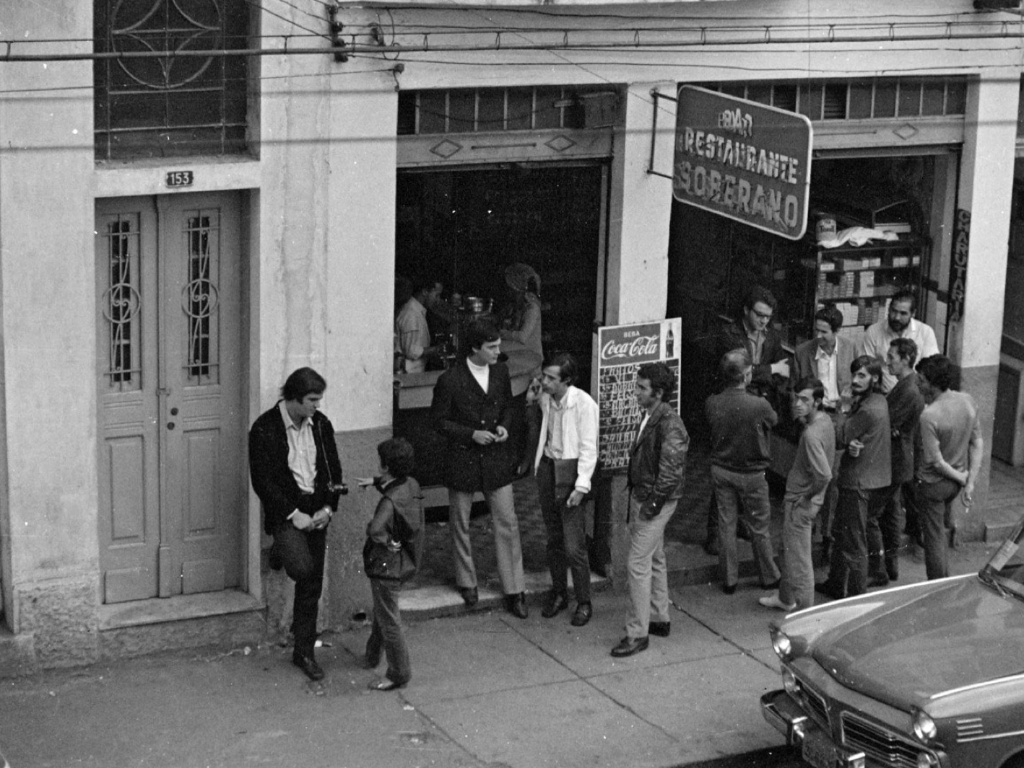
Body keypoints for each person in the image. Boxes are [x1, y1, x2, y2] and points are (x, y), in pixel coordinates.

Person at [248, 367, 345, 682]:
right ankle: (281, 546)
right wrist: (293, 515)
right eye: (312, 400)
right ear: (293, 398)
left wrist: (329, 508)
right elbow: (263, 482)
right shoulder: (265, 428)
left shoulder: (321, 424)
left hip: (315, 509)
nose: (317, 405)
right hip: (288, 511)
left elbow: (333, 470)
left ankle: (304, 651)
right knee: (301, 568)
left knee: (311, 585)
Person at [431, 319, 528, 618]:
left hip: (496, 458)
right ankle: (466, 581)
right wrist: (470, 434)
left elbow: (509, 408)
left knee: (507, 521)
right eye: (492, 347)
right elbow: (439, 421)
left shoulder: (500, 372)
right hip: (463, 457)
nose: (498, 352)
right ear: (475, 348)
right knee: (460, 522)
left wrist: (504, 427)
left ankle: (515, 589)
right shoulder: (451, 379)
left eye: (498, 345)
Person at [704, 285, 790, 554]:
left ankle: (738, 523)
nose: (764, 321)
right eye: (759, 315)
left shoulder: (772, 338)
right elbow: (736, 368)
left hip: (756, 408)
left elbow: (774, 374)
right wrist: (771, 369)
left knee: (751, 470)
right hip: (733, 407)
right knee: (727, 469)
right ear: (745, 310)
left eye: (768, 316)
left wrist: (768, 375)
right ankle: (715, 534)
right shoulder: (729, 335)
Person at [611, 362, 688, 658]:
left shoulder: (670, 424)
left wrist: (650, 508)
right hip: (649, 497)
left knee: (637, 563)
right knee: (654, 557)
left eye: (642, 388)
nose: (636, 392)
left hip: (655, 500)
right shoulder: (655, 416)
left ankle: (636, 633)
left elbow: (670, 474)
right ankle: (658, 616)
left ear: (657, 393)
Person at [527, 352, 600, 627]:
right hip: (548, 468)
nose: (544, 381)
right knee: (553, 539)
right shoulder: (546, 398)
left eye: (551, 378)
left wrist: (581, 486)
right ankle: (559, 593)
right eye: (544, 375)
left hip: (569, 474)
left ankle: (584, 601)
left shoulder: (583, 405)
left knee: (574, 545)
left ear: (566, 380)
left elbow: (589, 449)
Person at [705, 348, 781, 594]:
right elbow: (774, 421)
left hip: (722, 470)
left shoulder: (712, 402)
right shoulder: (759, 405)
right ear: (747, 375)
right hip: (752, 474)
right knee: (759, 526)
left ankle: (729, 580)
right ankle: (768, 576)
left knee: (726, 525)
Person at [816, 356, 891, 600]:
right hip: (874, 480)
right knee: (846, 534)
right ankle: (836, 583)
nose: (856, 380)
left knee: (852, 542)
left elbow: (839, 435)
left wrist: (843, 407)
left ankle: (858, 597)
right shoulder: (879, 401)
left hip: (857, 483)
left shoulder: (866, 409)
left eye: (862, 376)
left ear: (875, 378)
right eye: (855, 375)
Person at [760, 377, 835, 612]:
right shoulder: (825, 422)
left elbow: (824, 475)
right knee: (788, 551)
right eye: (796, 398)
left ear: (818, 402)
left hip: (800, 503)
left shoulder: (811, 435)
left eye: (805, 399)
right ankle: (785, 598)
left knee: (799, 562)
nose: (797, 404)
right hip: (804, 501)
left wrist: (806, 497)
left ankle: (806, 614)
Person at [359, 438, 424, 691]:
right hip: (405, 561)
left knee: (388, 618)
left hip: (386, 565)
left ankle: (399, 673)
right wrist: (376, 482)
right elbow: (398, 490)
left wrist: (385, 539)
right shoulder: (411, 484)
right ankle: (372, 654)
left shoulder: (388, 502)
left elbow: (376, 530)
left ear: (385, 466)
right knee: (384, 610)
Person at [791, 305, 854, 561]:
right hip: (814, 418)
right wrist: (801, 419)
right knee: (811, 473)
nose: (819, 336)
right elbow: (794, 390)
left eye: (825, 332)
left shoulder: (850, 348)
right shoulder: (803, 352)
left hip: (839, 418)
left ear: (837, 331)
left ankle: (827, 535)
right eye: (816, 330)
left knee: (832, 478)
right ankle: (809, 526)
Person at [914, 354, 983, 580]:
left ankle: (937, 586)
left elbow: (935, 461)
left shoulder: (929, 415)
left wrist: (963, 479)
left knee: (933, 538)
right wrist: (968, 481)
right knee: (940, 534)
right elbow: (977, 443)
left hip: (933, 484)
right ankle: (943, 578)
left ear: (933, 384)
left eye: (921, 380)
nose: (918, 384)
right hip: (954, 483)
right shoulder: (967, 401)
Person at [867, 338, 924, 587]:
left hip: (893, 461)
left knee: (871, 515)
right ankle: (891, 567)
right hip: (899, 461)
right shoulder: (907, 385)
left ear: (906, 359)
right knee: (890, 514)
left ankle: (877, 570)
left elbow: (886, 424)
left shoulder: (908, 389)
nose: (887, 361)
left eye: (891, 357)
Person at [859, 287, 939, 394]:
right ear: (889, 309)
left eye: (903, 313)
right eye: (894, 311)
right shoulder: (874, 332)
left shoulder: (925, 332)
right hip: (885, 395)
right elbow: (866, 368)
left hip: (916, 395)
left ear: (913, 313)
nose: (896, 317)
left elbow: (931, 371)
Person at [396, 276, 444, 374]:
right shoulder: (411, 314)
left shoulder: (418, 312)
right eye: (436, 295)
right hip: (409, 374)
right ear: (425, 292)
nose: (438, 300)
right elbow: (410, 351)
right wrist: (436, 350)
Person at [500, 262, 543, 361]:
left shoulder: (532, 308)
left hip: (531, 354)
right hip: (521, 348)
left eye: (510, 289)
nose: (508, 292)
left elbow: (522, 337)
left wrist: (502, 333)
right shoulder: (516, 305)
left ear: (517, 288)